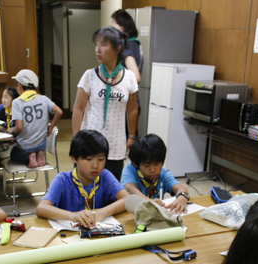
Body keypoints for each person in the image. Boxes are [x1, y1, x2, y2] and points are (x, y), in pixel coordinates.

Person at [72, 27, 139, 180]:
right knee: (85, 188)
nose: (98, 49)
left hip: (116, 145)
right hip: (89, 144)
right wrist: (76, 140)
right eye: (97, 44)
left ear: (117, 49)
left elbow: (132, 109)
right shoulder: (89, 75)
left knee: (111, 189)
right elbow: (78, 109)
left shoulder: (129, 77)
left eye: (103, 44)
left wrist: (132, 136)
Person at [36, 130, 129, 228]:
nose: (95, 165)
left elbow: (127, 199)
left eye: (101, 159)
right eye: (89, 159)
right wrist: (72, 216)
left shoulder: (105, 176)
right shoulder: (62, 180)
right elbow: (41, 208)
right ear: (74, 158)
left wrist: (102, 212)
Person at [6, 69, 63, 168]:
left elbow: (19, 128)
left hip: (25, 147)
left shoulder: (17, 102)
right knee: (36, 147)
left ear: (19, 85)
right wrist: (51, 127)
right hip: (41, 145)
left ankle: (30, 156)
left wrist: (11, 131)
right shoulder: (43, 99)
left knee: (13, 155)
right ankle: (39, 154)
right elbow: (59, 111)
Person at [121, 134, 191, 215]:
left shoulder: (163, 173)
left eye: (157, 164)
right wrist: (149, 202)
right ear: (136, 164)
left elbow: (180, 188)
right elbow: (130, 188)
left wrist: (182, 197)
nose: (152, 170)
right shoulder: (130, 170)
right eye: (146, 165)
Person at [111, 9, 143, 140]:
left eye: (114, 26)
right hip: (132, 102)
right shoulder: (135, 44)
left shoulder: (127, 47)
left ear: (123, 26)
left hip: (126, 104)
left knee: (125, 143)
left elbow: (136, 76)